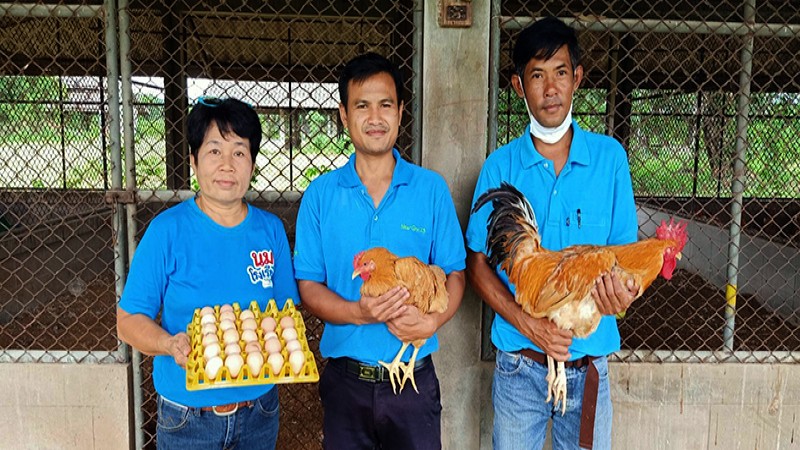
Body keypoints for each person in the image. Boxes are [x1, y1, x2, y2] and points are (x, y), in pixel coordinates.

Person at [465, 17, 639, 450]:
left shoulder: (609, 160)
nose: (550, 88)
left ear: (577, 78)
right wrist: (529, 323)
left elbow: (625, 257)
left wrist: (624, 294)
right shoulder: (500, 167)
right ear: (519, 86)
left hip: (590, 361)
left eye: (560, 72)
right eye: (536, 75)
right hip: (519, 365)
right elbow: (476, 265)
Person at [293, 52, 466, 450]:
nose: (375, 118)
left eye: (385, 105)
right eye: (362, 106)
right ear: (343, 115)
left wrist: (433, 322)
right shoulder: (321, 195)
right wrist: (358, 312)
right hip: (345, 383)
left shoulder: (430, 189)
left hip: (414, 380)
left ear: (401, 112)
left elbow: (456, 272)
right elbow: (308, 284)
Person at [117, 97, 299, 449]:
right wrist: (169, 344)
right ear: (193, 161)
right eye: (214, 151)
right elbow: (128, 320)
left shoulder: (270, 230)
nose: (227, 165)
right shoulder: (167, 231)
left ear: (253, 164)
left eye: (239, 152)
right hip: (188, 416)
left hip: (258, 410)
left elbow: (285, 311)